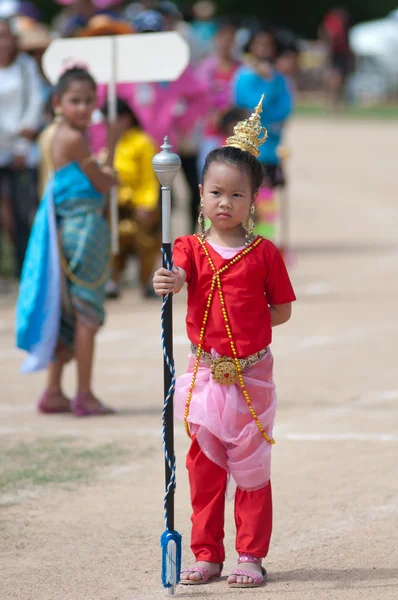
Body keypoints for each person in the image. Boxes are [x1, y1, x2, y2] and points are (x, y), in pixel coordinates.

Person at [153, 101, 296, 587]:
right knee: (206, 465)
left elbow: (281, 310)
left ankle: (250, 555)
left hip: (252, 376)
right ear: (199, 194)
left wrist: (250, 335)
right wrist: (168, 281)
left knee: (251, 468)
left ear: (254, 199)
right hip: (205, 373)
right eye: (216, 192)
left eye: (237, 195)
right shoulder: (188, 249)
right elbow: (174, 277)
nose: (225, 203)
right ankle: (206, 553)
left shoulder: (265, 254)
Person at [16, 64, 120, 416]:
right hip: (83, 229)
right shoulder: (73, 138)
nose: (83, 107)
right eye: (75, 100)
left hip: (65, 227)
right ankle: (85, 394)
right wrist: (115, 144)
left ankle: (54, 391)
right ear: (58, 101)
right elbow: (103, 183)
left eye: (89, 100)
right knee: (87, 314)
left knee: (65, 311)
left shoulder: (52, 133)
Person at [233, 25, 294, 246]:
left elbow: (285, 109)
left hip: (269, 151)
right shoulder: (244, 76)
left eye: (268, 45)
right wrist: (267, 91)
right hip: (246, 150)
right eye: (260, 44)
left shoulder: (280, 79)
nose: (264, 49)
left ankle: (264, 243)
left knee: (266, 198)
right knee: (242, 198)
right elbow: (249, 106)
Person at [101, 98, 160, 299]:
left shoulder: (142, 141)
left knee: (143, 239)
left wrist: (146, 204)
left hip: (138, 204)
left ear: (125, 118)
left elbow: (148, 178)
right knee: (111, 237)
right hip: (114, 205)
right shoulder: (108, 142)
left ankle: (146, 281)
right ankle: (112, 280)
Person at [0, 17, 44, 277]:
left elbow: (35, 102)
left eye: (6, 35)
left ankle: (23, 269)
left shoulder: (25, 66)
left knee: (22, 211)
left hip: (20, 151)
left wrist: (22, 144)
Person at [196, 16, 240, 175]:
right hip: (211, 132)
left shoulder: (241, 69)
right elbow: (199, 99)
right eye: (223, 37)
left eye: (231, 38)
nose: (227, 42)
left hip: (235, 133)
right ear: (216, 39)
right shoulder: (206, 68)